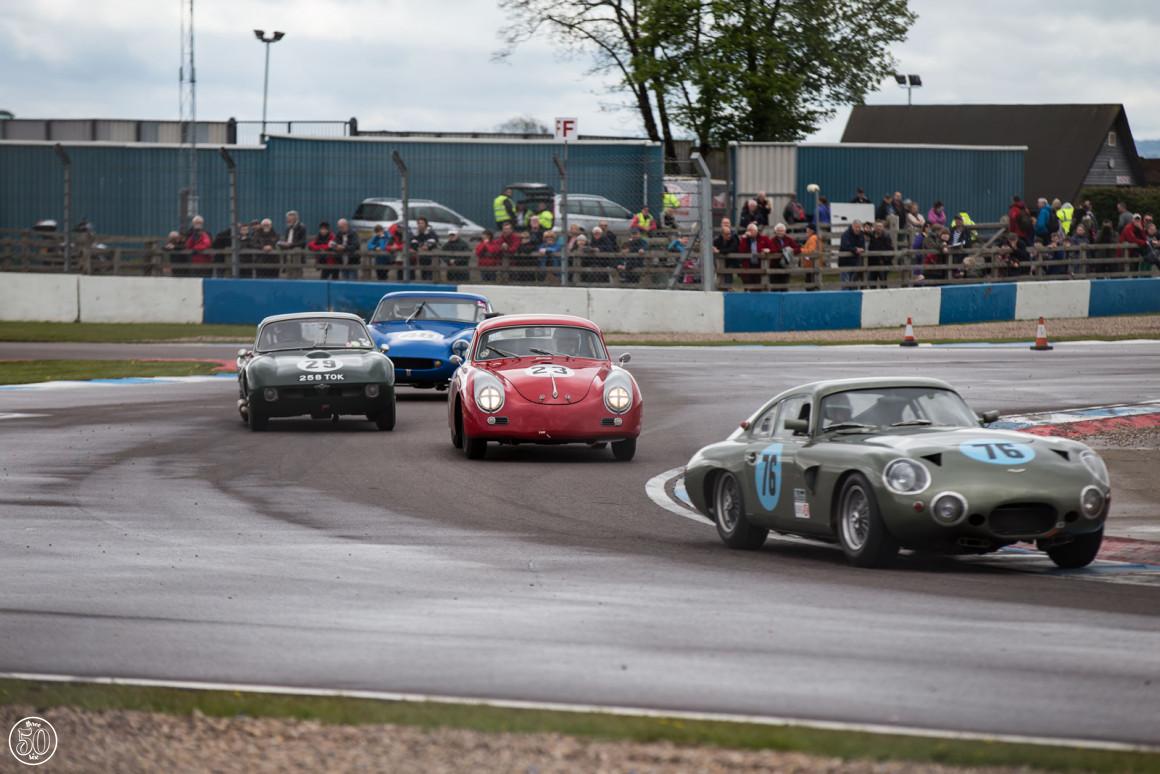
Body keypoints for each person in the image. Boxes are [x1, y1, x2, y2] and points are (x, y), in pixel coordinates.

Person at [737, 223, 772, 289]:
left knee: (759, 286)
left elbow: (772, 247)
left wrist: (769, 250)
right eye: (748, 230)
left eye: (751, 230)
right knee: (748, 287)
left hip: (760, 265)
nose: (749, 232)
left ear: (756, 231)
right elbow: (741, 251)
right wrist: (744, 239)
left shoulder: (764, 238)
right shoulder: (745, 240)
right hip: (748, 266)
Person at [766, 223, 800, 291]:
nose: (780, 232)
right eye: (778, 230)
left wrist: (790, 251)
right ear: (775, 231)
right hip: (775, 266)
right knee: (774, 287)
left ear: (785, 231)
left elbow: (798, 249)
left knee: (784, 287)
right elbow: (773, 250)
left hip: (786, 266)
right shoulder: (772, 240)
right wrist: (784, 250)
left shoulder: (789, 239)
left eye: (782, 230)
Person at [713, 218, 741, 287]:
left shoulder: (734, 236)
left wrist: (719, 251)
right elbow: (714, 244)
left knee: (728, 273)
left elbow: (732, 249)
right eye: (724, 223)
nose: (726, 224)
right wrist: (712, 247)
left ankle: (728, 289)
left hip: (733, 262)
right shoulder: (719, 238)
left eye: (727, 223)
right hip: (722, 262)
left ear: (730, 225)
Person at [838, 220, 866, 289]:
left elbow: (863, 246)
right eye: (856, 227)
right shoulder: (845, 234)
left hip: (855, 262)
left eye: (859, 227)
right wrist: (855, 249)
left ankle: (853, 299)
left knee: (854, 284)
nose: (857, 229)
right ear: (852, 226)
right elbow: (845, 246)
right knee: (845, 284)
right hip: (845, 262)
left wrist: (861, 249)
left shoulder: (861, 235)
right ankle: (845, 298)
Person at [866, 220, 894, 289]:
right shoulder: (871, 235)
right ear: (874, 227)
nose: (878, 228)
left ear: (883, 227)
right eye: (877, 226)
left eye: (880, 226)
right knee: (872, 283)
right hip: (872, 263)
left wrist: (884, 260)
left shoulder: (886, 237)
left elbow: (891, 250)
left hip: (882, 263)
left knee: (883, 283)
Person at [799, 225, 821, 289]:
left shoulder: (813, 238)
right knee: (811, 283)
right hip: (811, 265)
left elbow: (811, 251)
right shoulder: (814, 238)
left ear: (812, 231)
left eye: (807, 231)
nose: (806, 233)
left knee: (810, 285)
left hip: (811, 265)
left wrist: (801, 250)